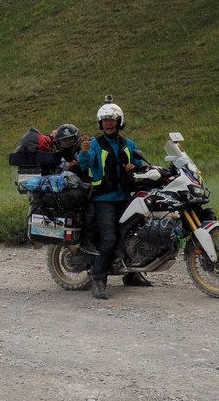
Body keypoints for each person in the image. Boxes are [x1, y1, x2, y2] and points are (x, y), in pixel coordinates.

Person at [76, 97, 152, 299]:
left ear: (119, 121)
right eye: (105, 120)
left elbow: (140, 163)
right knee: (109, 239)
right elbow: (85, 165)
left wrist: (135, 167)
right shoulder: (94, 144)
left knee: (135, 235)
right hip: (104, 200)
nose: (108, 123)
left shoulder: (128, 144)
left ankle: (132, 276)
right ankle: (99, 279)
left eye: (112, 119)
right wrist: (83, 153)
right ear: (100, 124)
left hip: (125, 197)